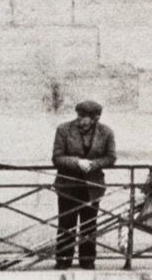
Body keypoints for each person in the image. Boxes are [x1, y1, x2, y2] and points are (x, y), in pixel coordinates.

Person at [50, 100, 116, 270]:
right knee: (66, 223)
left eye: (84, 117)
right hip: (68, 185)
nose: (80, 120)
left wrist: (93, 164)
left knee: (89, 224)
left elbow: (111, 158)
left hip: (93, 186)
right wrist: (77, 162)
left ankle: (87, 260)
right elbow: (57, 158)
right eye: (79, 116)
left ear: (95, 118)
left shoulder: (106, 132)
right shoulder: (63, 129)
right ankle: (63, 259)